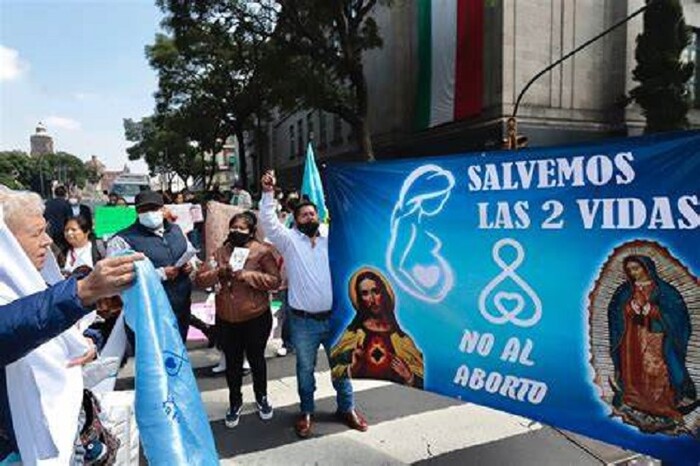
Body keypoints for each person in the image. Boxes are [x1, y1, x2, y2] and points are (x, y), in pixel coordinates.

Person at [0, 185, 142, 464]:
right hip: (18, 448)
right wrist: (82, 292)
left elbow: (73, 328)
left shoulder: (36, 280)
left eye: (46, 230)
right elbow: (16, 325)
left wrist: (90, 342)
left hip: (71, 431)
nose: (47, 242)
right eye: (35, 234)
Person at [259, 170, 368, 438]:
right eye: (304, 215)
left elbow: (355, 224)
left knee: (341, 367)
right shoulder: (288, 241)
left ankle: (348, 409)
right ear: (295, 221)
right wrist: (268, 193)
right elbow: (269, 222)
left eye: (313, 214)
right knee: (305, 371)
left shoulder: (332, 236)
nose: (310, 217)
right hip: (303, 321)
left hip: (334, 319)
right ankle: (306, 412)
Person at [195, 212, 280, 428]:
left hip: (255, 317)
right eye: (233, 228)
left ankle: (261, 397)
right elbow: (200, 279)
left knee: (256, 359)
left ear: (251, 232)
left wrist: (248, 276)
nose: (236, 232)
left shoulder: (262, 252)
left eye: (242, 229)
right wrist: (219, 272)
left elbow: (275, 281)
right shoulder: (220, 252)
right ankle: (235, 401)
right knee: (232, 364)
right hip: (227, 319)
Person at [608, 255, 697, 429]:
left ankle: (661, 405)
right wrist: (628, 309)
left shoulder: (665, 290)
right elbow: (615, 311)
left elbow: (677, 314)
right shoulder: (624, 290)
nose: (633, 273)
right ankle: (635, 401)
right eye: (630, 269)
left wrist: (654, 311)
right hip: (631, 337)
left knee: (657, 369)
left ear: (647, 268)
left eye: (636, 268)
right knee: (633, 368)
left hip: (656, 337)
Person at [108, 190, 195, 342]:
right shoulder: (122, 240)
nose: (149, 213)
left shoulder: (176, 230)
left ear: (163, 209)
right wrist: (160, 274)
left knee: (178, 357)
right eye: (144, 210)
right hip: (148, 313)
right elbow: (117, 277)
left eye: (153, 209)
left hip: (180, 307)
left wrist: (191, 266)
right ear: (136, 212)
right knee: (154, 361)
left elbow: (190, 253)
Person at [331, 268, 424, 388]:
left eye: (376, 291)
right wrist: (352, 369)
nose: (372, 299)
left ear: (384, 294)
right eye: (365, 293)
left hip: (395, 398)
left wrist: (409, 376)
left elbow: (422, 377)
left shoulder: (402, 340)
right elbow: (334, 370)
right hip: (363, 395)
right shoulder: (353, 335)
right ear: (359, 298)